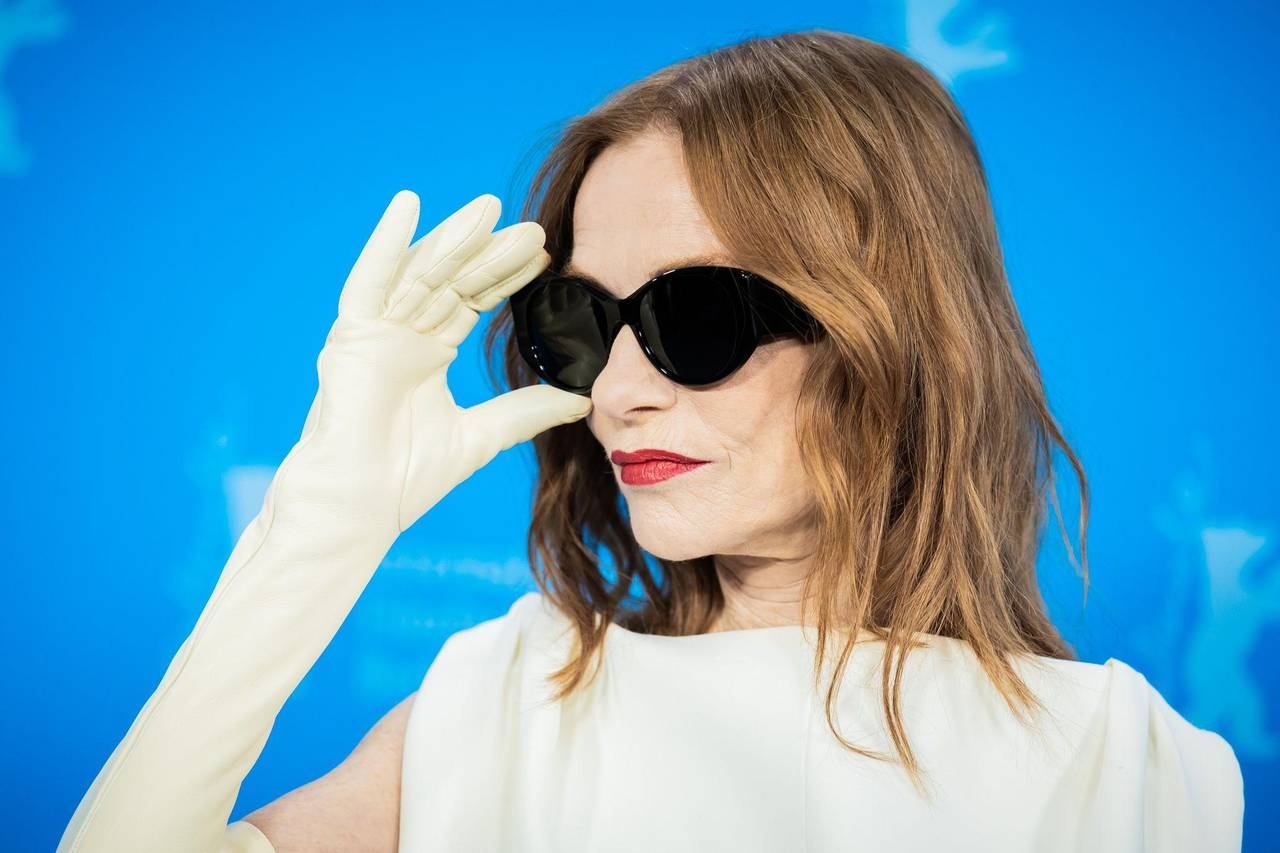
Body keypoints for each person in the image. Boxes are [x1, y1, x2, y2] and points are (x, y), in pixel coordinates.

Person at [57, 29, 1243, 853]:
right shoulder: (503, 701)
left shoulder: (1121, 761)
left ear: (890, 330)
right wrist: (314, 527)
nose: (616, 392)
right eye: (576, 322)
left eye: (696, 317)